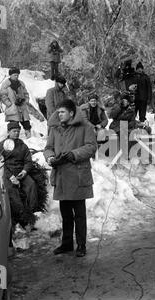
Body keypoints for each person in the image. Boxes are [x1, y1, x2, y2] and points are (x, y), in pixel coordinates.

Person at [44, 99, 97, 257]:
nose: (59, 115)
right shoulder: (55, 128)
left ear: (71, 113)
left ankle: (81, 245)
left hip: (78, 175)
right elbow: (48, 148)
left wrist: (73, 154)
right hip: (61, 175)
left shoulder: (85, 127)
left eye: (62, 112)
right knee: (65, 213)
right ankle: (67, 243)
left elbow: (91, 147)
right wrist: (50, 157)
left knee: (79, 213)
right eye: (58, 112)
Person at [0, 122, 38, 250]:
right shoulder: (2, 146)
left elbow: (28, 161)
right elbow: (0, 162)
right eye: (13, 131)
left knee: (31, 185)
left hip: (20, 171)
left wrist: (25, 171)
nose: (16, 133)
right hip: (7, 173)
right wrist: (11, 177)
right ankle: (21, 219)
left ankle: (30, 214)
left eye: (17, 131)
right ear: (8, 132)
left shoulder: (22, 145)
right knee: (12, 192)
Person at [0, 67, 32, 139]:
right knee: (14, 126)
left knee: (27, 124)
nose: (16, 77)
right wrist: (10, 104)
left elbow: (26, 94)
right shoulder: (6, 85)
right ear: (10, 75)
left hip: (22, 108)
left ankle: (30, 139)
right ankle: (13, 140)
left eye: (17, 75)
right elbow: (3, 96)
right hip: (12, 109)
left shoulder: (21, 84)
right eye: (15, 75)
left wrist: (25, 101)